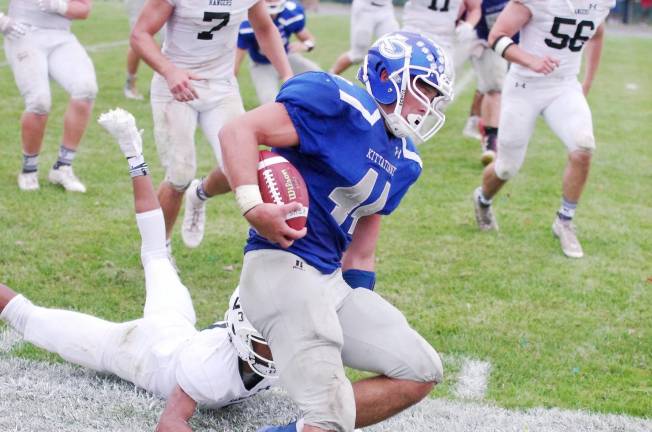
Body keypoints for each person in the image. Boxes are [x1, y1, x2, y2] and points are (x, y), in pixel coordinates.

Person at [217, 31, 453, 432]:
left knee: (421, 369)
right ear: (385, 75)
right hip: (282, 264)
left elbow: (361, 253)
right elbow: (238, 131)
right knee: (330, 414)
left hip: (329, 280)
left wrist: (357, 310)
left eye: (434, 96)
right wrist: (253, 206)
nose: (426, 104)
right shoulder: (337, 102)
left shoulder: (406, 160)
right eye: (422, 88)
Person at [0, 108, 278, 432]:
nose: (283, 338)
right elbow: (170, 423)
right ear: (244, 338)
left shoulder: (283, 343)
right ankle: (134, 153)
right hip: (140, 353)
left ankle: (134, 155)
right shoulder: (208, 370)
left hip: (177, 326)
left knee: (157, 253)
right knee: (27, 317)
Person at [130, 0, 293, 255]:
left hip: (221, 86)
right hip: (175, 86)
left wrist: (287, 76)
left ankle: (201, 192)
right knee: (179, 174)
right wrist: (169, 71)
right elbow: (140, 34)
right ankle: (158, 252)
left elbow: (264, 27)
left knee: (241, 169)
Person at [472, 0, 613, 258]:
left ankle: (565, 220)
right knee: (506, 167)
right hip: (525, 87)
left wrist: (588, 80)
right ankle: (483, 199)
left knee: (583, 145)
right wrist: (530, 60)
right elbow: (498, 36)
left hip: (564, 85)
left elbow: (597, 33)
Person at [2, 0, 97, 193]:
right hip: (24, 30)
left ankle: (63, 166)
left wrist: (59, 6)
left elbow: (84, 9)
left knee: (85, 88)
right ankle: (29, 168)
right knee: (39, 101)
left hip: (61, 35)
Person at [235, 0, 321, 105]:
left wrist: (306, 45)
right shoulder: (245, 24)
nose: (270, 17)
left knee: (320, 79)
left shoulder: (291, 12)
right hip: (262, 64)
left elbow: (309, 40)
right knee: (270, 102)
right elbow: (236, 61)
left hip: (287, 56)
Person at [469, 0, 512, 165]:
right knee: (494, 88)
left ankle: (480, 122)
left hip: (516, 40)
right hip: (485, 39)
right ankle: (491, 141)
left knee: (502, 89)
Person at [402, 0, 482, 72]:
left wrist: (468, 25)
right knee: (402, 72)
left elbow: (475, 8)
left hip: (443, 40)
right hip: (412, 32)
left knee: (441, 79)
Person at [329, 0, 398, 76]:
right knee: (358, 55)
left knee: (395, 48)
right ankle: (329, 77)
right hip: (365, 8)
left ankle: (394, 84)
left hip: (386, 7)